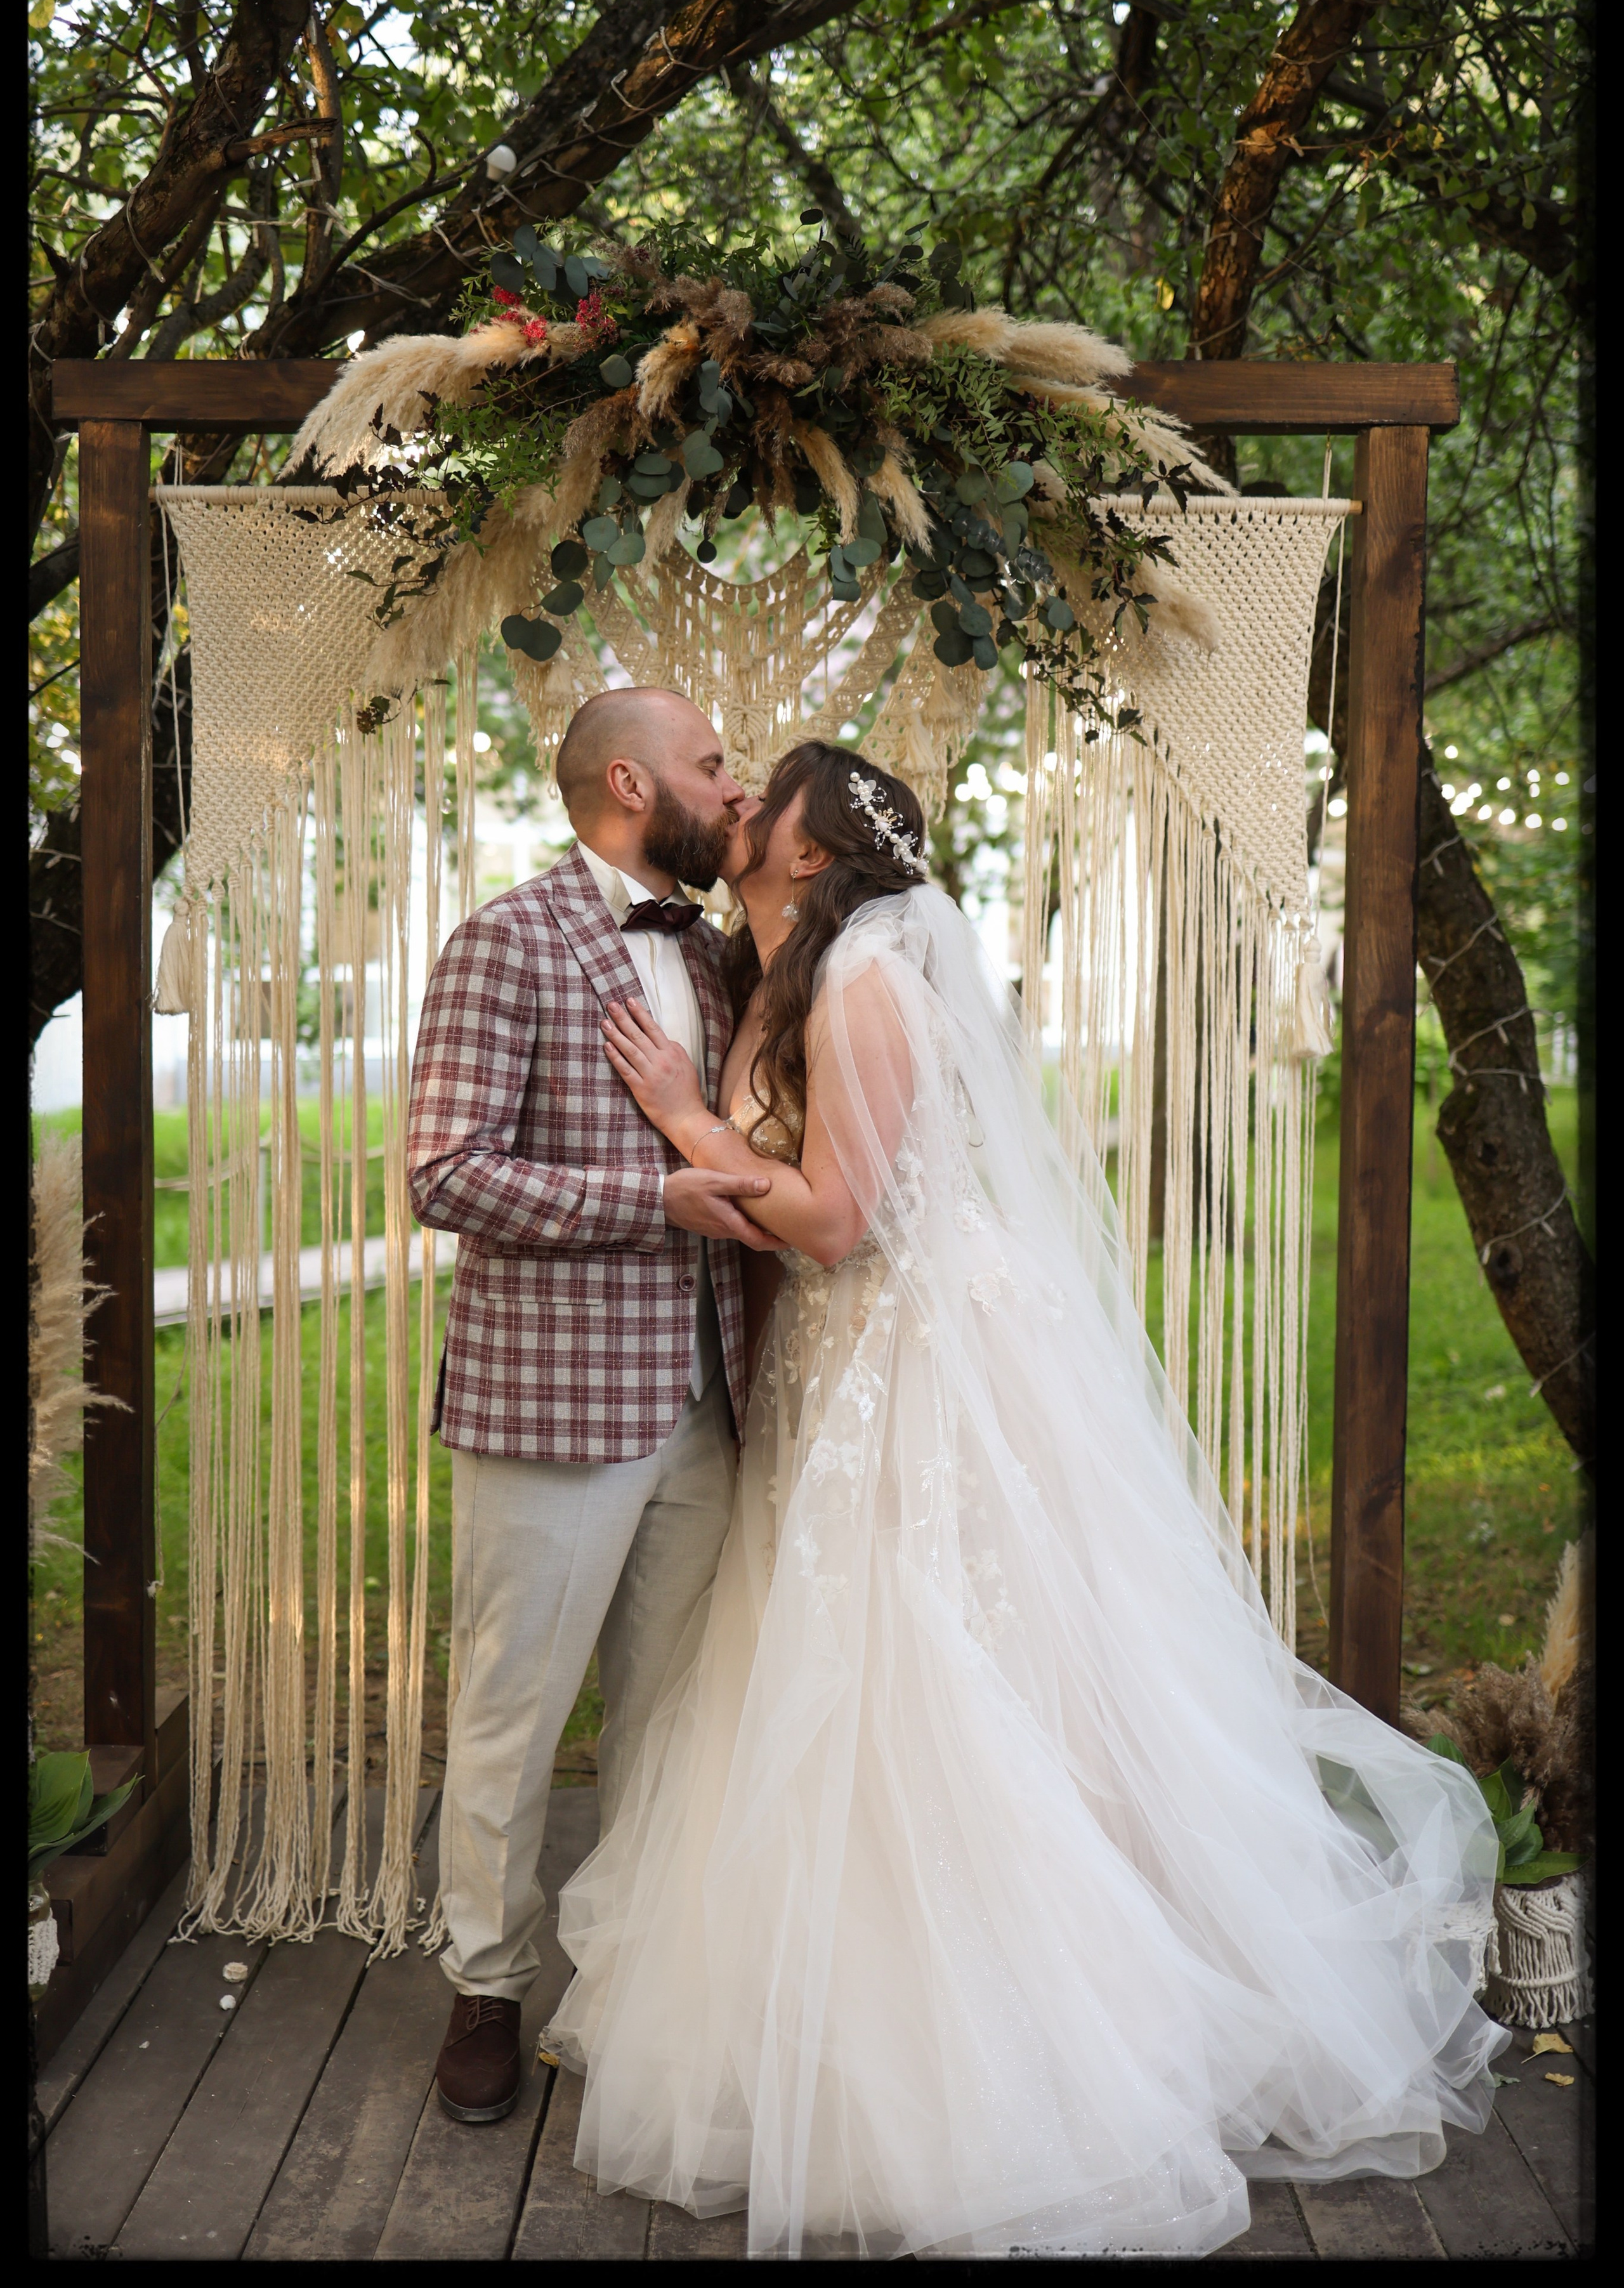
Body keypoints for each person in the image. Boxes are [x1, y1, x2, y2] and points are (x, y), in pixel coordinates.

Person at [543, 738, 1509, 2261]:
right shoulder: (777, 966)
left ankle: (1032, 2047)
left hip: (912, 1367)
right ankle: (836, 2014)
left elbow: (837, 1221)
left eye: (759, 790)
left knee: (941, 1679)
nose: (733, 801)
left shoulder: (861, 983)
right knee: (840, 1685)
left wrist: (681, 1116)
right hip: (828, 1376)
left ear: (808, 849)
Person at [406, 685, 782, 2126]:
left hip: (710, 1396)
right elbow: (446, 1168)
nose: (729, 784)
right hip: (553, 1406)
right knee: (512, 1713)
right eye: (709, 761)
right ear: (630, 782)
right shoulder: (507, 938)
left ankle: (628, 1982)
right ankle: (485, 1988)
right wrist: (652, 1197)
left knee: (665, 1718)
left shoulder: (723, 952)